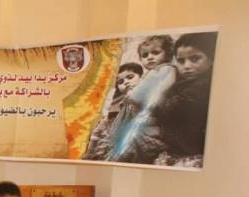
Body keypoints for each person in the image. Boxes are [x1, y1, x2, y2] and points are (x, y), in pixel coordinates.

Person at [106, 35, 177, 163]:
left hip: (152, 112)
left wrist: (150, 99)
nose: (149, 57)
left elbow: (165, 86)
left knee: (136, 138)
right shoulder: (150, 73)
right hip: (139, 111)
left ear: (168, 53)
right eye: (145, 55)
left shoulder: (167, 69)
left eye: (155, 53)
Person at [152, 32, 216, 168]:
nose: (186, 66)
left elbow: (169, 109)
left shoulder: (204, 84)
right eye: (181, 61)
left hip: (191, 149)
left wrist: (163, 91)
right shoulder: (185, 82)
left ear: (211, 59)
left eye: (195, 59)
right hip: (178, 144)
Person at [84, 63, 143, 160]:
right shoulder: (119, 105)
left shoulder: (151, 95)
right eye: (120, 82)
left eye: (130, 77)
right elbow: (100, 130)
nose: (126, 82)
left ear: (141, 77)